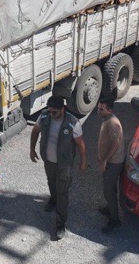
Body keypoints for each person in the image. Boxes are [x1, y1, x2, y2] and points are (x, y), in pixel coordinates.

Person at [29, 95, 87, 240]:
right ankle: (53, 200)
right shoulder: (44, 117)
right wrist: (32, 149)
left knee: (62, 192)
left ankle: (60, 223)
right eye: (49, 111)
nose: (51, 114)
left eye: (54, 112)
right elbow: (35, 131)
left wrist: (83, 161)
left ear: (63, 109)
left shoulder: (73, 122)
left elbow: (80, 144)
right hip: (48, 161)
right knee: (51, 183)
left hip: (64, 164)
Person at [96, 97, 126, 233]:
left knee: (109, 191)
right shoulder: (107, 120)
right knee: (108, 189)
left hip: (113, 163)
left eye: (101, 109)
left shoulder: (112, 123)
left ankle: (115, 220)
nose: (98, 111)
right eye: (98, 108)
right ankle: (109, 208)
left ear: (109, 110)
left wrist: (105, 160)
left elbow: (116, 142)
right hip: (110, 161)